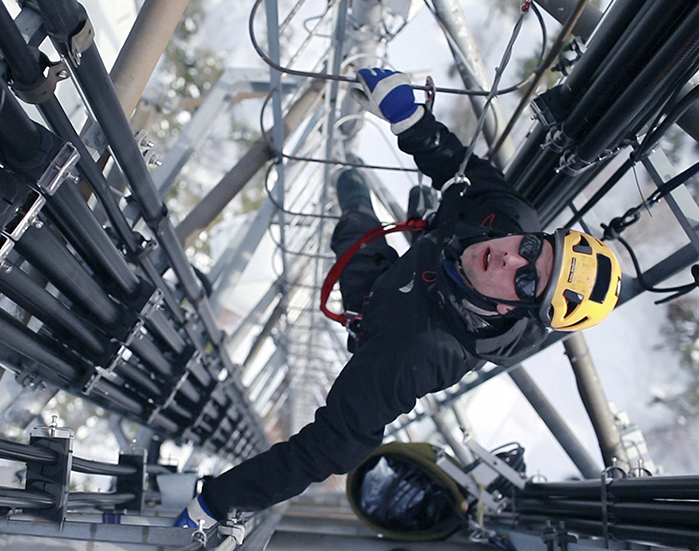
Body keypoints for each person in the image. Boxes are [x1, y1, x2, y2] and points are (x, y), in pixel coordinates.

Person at [175, 68, 622, 528]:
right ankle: (357, 184)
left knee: (356, 227)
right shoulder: (512, 218)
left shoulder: (417, 350)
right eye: (531, 249)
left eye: (527, 283)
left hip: (381, 305)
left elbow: (333, 445)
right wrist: (412, 121)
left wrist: (216, 501)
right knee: (386, 209)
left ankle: (352, 193)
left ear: (515, 309)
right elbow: (465, 169)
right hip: (431, 258)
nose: (510, 259)